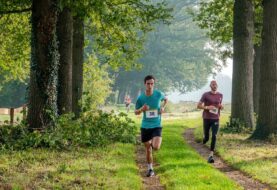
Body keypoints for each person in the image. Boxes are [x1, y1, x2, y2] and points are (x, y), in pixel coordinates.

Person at [135, 75, 168, 177]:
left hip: (157, 125)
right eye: (148, 83)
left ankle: (151, 163)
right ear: (145, 84)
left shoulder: (158, 94)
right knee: (148, 149)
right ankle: (150, 169)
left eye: (152, 83)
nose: (150, 85)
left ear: (154, 84)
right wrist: (142, 109)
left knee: (156, 147)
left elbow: (166, 99)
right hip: (145, 126)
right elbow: (136, 112)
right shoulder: (141, 98)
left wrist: (163, 108)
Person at [197, 80, 223, 163]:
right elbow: (198, 106)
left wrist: (221, 107)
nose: (214, 86)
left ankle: (211, 155)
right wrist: (207, 107)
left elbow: (220, 106)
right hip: (207, 118)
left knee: (214, 135)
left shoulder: (220, 95)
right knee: (207, 137)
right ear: (210, 86)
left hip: (216, 118)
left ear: (217, 86)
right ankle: (204, 139)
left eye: (215, 84)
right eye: (213, 84)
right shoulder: (205, 95)